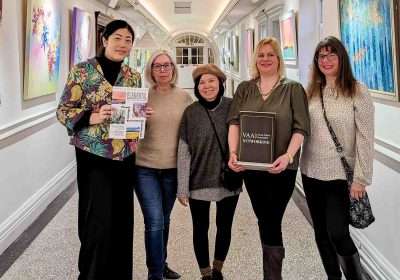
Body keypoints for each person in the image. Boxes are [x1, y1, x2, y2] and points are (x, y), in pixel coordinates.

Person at [57, 20, 141, 280]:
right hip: (94, 155)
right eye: (118, 37)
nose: (123, 44)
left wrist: (141, 114)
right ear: (104, 39)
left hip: (125, 155)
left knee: (122, 220)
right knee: (97, 219)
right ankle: (92, 273)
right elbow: (63, 111)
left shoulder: (133, 76)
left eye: (128, 39)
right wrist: (91, 117)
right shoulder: (82, 71)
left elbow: (132, 117)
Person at [227, 37, 310, 280]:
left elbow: (301, 127)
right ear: (255, 59)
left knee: (271, 218)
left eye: (270, 54)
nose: (265, 59)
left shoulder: (293, 89)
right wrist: (233, 152)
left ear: (278, 59)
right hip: (251, 168)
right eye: (261, 55)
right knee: (265, 218)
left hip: (282, 168)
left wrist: (288, 155)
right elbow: (234, 123)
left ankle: (272, 276)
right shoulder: (245, 88)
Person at [300, 36, 374, 280]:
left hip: (340, 177)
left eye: (332, 55)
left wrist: (361, 179)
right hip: (310, 172)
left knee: (338, 234)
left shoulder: (357, 91)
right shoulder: (311, 91)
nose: (327, 60)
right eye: (322, 56)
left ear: (342, 58)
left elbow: (365, 138)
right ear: (316, 61)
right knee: (320, 233)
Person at [177, 64, 241, 280]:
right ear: (196, 87)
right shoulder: (190, 113)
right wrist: (182, 187)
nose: (207, 86)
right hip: (198, 180)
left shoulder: (233, 107)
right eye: (201, 82)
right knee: (200, 228)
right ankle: (205, 273)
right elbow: (183, 152)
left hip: (228, 180)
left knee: (224, 227)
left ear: (221, 83)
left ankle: (218, 269)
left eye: (211, 81)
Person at [135, 50, 192, 280]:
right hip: (144, 167)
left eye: (166, 65)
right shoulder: (141, 96)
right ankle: (155, 273)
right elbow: (128, 131)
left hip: (172, 168)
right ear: (151, 70)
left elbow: (191, 133)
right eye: (157, 66)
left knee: (164, 219)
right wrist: (138, 116)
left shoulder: (184, 98)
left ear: (173, 68)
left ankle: (161, 262)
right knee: (155, 220)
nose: (162, 69)